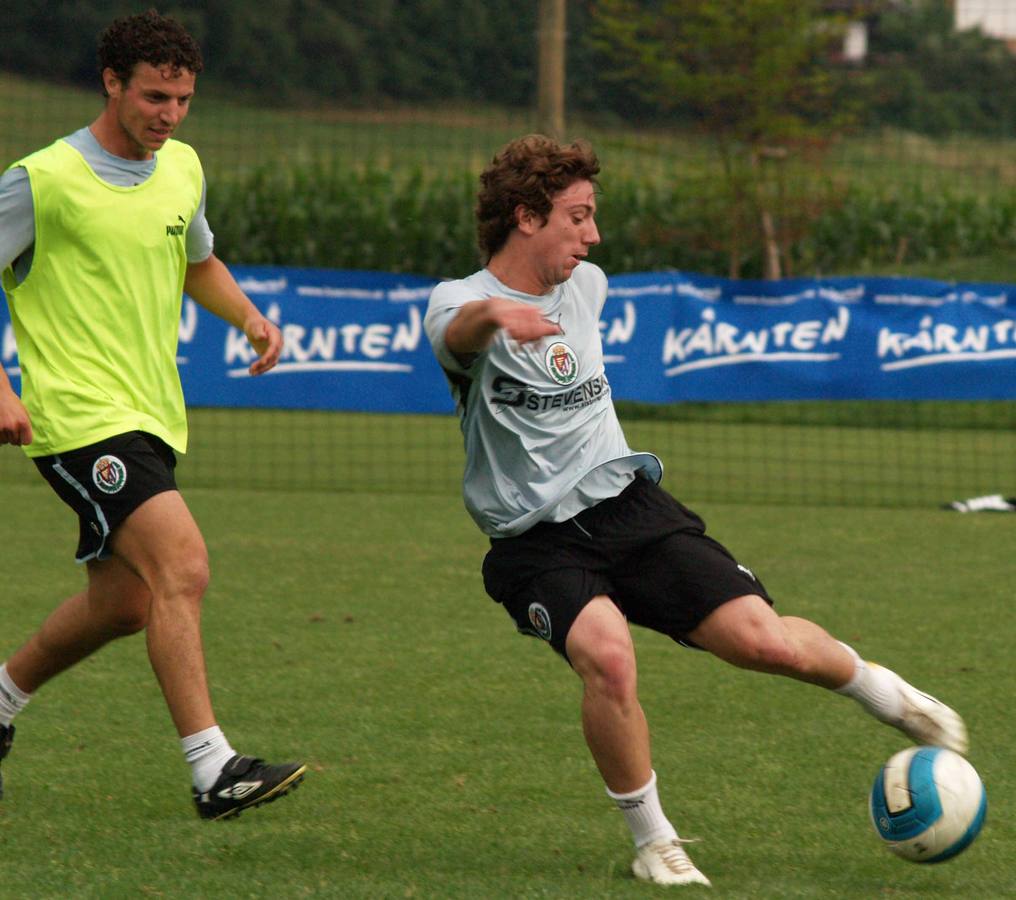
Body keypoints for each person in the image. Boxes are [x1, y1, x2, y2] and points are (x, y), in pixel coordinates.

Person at [423, 134, 969, 887]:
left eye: (592, 218)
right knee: (608, 655)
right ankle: (655, 842)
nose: (593, 235)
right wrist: (495, 317)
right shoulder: (457, 303)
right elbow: (456, 334)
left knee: (763, 641)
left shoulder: (590, 287)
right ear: (526, 216)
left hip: (628, 508)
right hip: (535, 541)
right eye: (578, 217)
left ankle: (889, 694)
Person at [0, 10, 305, 820]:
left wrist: (247, 317)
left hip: (152, 416)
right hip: (74, 416)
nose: (169, 114)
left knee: (127, 606)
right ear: (112, 83)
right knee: (184, 566)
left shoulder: (183, 169)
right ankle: (214, 771)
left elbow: (196, 259)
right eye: (155, 96)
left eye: (183, 100)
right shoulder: (42, 179)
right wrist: (0, 386)